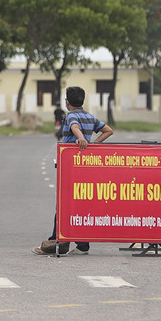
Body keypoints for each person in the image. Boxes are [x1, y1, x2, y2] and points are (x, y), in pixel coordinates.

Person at [33, 86, 113, 255]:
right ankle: (82, 245)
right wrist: (94, 145)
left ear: (67, 102)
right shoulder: (89, 117)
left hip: (70, 167)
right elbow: (108, 130)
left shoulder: (71, 116)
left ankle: (56, 242)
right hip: (85, 167)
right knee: (79, 204)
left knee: (63, 204)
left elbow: (75, 126)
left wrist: (81, 138)